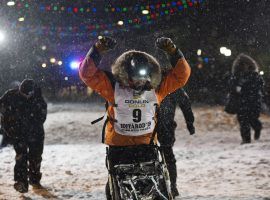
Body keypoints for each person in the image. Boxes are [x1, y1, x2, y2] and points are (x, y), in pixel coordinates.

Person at [79, 36, 191, 198]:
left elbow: (182, 76)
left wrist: (174, 52)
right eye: (135, 78)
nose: (140, 82)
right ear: (126, 75)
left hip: (146, 147)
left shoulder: (156, 89)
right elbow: (87, 74)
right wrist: (96, 51)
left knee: (151, 188)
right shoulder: (113, 87)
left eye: (144, 78)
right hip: (120, 149)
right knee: (117, 186)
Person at [0, 79, 47, 193]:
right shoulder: (10, 96)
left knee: (35, 157)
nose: (25, 97)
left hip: (35, 133)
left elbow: (42, 117)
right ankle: (21, 182)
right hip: (18, 133)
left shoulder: (38, 99)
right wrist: (7, 126)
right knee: (21, 157)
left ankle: (34, 179)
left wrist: (29, 124)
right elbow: (2, 110)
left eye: (28, 95)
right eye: (23, 94)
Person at [157, 87, 195, 197]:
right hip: (151, 126)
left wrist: (190, 123)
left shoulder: (172, 84)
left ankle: (172, 185)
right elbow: (185, 104)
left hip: (163, 125)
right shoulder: (147, 82)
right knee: (165, 154)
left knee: (167, 154)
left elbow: (185, 103)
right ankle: (169, 185)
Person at [226, 53, 264, 144]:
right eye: (241, 64)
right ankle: (246, 139)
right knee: (243, 121)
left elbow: (258, 86)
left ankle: (257, 127)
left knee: (252, 119)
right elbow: (231, 86)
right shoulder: (236, 76)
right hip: (241, 102)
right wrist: (236, 89)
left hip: (253, 101)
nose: (244, 66)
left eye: (245, 64)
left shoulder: (254, 75)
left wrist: (244, 89)